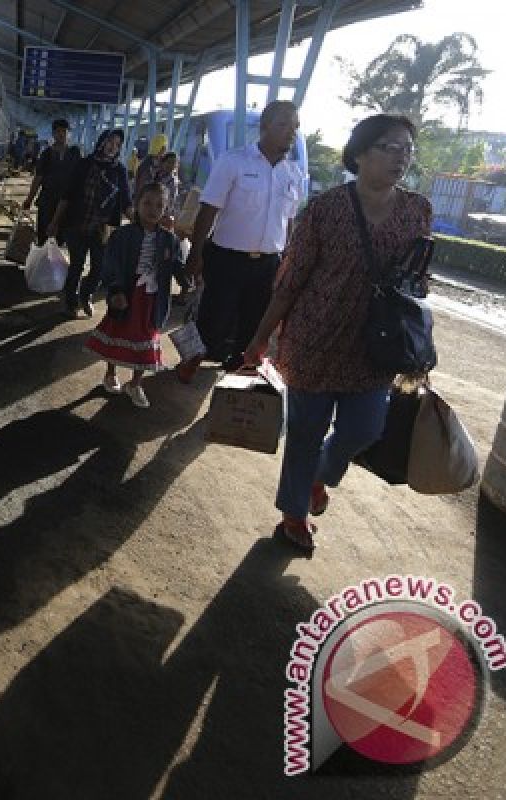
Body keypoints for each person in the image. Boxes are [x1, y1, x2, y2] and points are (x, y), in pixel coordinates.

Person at [243, 114, 431, 554]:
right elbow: (290, 281)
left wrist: (416, 343)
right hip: (314, 340)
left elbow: (417, 281)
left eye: (407, 149)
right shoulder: (325, 210)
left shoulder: (417, 209)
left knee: (364, 429)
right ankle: (294, 516)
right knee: (305, 432)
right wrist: (260, 338)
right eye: (390, 147)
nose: (401, 157)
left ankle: (318, 476)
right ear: (361, 153)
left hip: (376, 347)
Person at [178, 100, 306, 380]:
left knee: (254, 323)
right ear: (264, 127)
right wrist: (196, 253)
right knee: (212, 318)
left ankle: (237, 370)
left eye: (295, 127)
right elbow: (208, 209)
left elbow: (289, 221)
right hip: (226, 259)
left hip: (268, 264)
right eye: (283, 125)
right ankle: (190, 361)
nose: (290, 133)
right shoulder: (233, 161)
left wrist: (288, 260)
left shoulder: (293, 174)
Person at [84, 182, 187, 408]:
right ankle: (111, 374)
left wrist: (188, 280)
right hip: (127, 295)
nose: (153, 209)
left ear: (166, 209)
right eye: (147, 203)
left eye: (159, 205)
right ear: (137, 204)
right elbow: (112, 263)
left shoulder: (170, 240)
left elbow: (178, 266)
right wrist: (117, 290)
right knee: (118, 332)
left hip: (152, 299)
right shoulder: (122, 235)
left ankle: (136, 383)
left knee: (146, 339)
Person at [49, 128, 133, 317]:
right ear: (102, 141)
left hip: (103, 230)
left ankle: (86, 294)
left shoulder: (119, 170)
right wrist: (55, 221)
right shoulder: (84, 164)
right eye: (110, 142)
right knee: (76, 265)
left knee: (99, 269)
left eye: (118, 144)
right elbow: (68, 195)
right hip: (76, 225)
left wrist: (137, 219)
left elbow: (126, 201)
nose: (113, 147)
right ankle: (70, 302)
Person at [23, 119, 81, 246]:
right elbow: (38, 178)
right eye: (58, 131)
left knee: (62, 239)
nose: (61, 134)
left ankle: (55, 264)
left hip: (68, 204)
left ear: (69, 133)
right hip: (47, 202)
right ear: (53, 134)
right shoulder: (46, 154)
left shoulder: (75, 153)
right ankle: (42, 263)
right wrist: (29, 199)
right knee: (43, 236)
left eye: (64, 131)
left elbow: (80, 177)